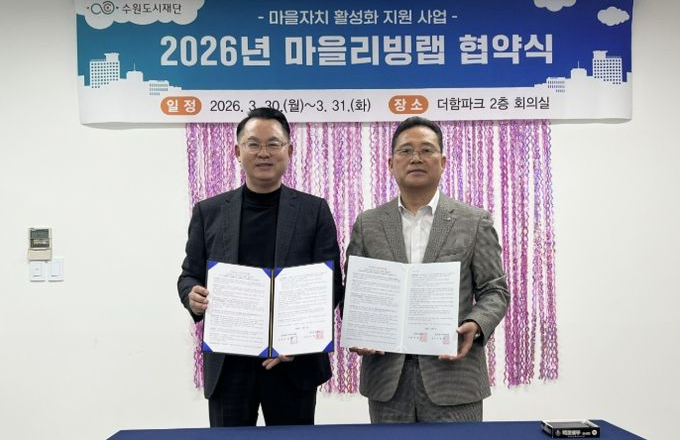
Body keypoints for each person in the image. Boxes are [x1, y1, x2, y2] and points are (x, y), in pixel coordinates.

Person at [177, 107, 343, 427]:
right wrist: (191, 295)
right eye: (253, 144)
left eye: (273, 144)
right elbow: (189, 275)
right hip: (230, 363)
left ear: (289, 151)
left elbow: (331, 284)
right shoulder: (209, 212)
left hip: (293, 363)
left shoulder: (314, 211)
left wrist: (298, 342)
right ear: (237, 151)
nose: (263, 153)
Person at [346, 116, 509, 423]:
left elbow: (495, 290)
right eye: (406, 150)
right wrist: (359, 327)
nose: (416, 158)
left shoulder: (474, 221)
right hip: (387, 382)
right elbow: (354, 291)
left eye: (426, 150)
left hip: (455, 379)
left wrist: (476, 324)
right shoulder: (368, 224)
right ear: (390, 163)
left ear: (443, 162)